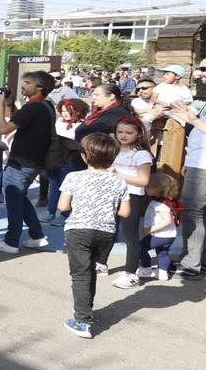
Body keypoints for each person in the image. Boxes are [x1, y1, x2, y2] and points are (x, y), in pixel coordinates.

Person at [58, 133, 130, 339]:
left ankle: (82, 321)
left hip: (78, 230)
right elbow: (125, 212)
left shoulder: (74, 177)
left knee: (81, 274)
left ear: (84, 156)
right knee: (91, 271)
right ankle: (87, 310)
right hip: (106, 232)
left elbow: (63, 206)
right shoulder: (119, 181)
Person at [0, 72, 56, 255]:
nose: (23, 86)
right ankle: (36, 235)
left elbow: (4, 129)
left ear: (39, 87)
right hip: (33, 162)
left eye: (27, 82)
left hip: (21, 163)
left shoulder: (33, 107)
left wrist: (0, 105)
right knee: (21, 199)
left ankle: (11, 241)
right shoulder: (46, 105)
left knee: (14, 203)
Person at [110, 117, 153, 289]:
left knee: (129, 234)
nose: (123, 135)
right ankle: (101, 264)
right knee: (108, 230)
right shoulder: (113, 150)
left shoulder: (141, 154)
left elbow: (143, 180)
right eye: (120, 132)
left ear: (139, 134)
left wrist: (116, 174)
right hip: (112, 195)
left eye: (129, 132)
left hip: (132, 197)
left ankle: (131, 273)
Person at [170, 94, 206, 277]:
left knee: (191, 213)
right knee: (199, 214)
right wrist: (188, 161)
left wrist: (194, 120)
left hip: (202, 167)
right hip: (197, 164)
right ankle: (199, 261)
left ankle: (190, 264)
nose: (202, 79)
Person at [137, 172, 180, 282]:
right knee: (163, 253)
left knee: (141, 247)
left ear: (157, 189)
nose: (145, 187)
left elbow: (167, 220)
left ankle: (146, 269)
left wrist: (149, 230)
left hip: (160, 235)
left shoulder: (160, 204)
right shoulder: (167, 201)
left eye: (148, 186)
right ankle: (162, 273)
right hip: (169, 235)